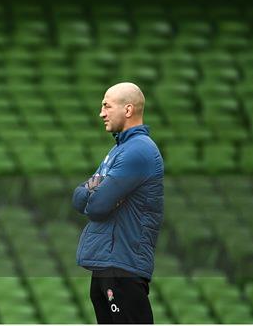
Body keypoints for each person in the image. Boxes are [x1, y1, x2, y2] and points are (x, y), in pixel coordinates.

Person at [72, 82, 164, 324]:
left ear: (128, 109)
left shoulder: (138, 151)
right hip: (108, 265)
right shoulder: (118, 152)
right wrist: (96, 195)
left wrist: (96, 194)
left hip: (123, 266)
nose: (101, 113)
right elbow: (78, 196)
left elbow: (97, 205)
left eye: (106, 106)